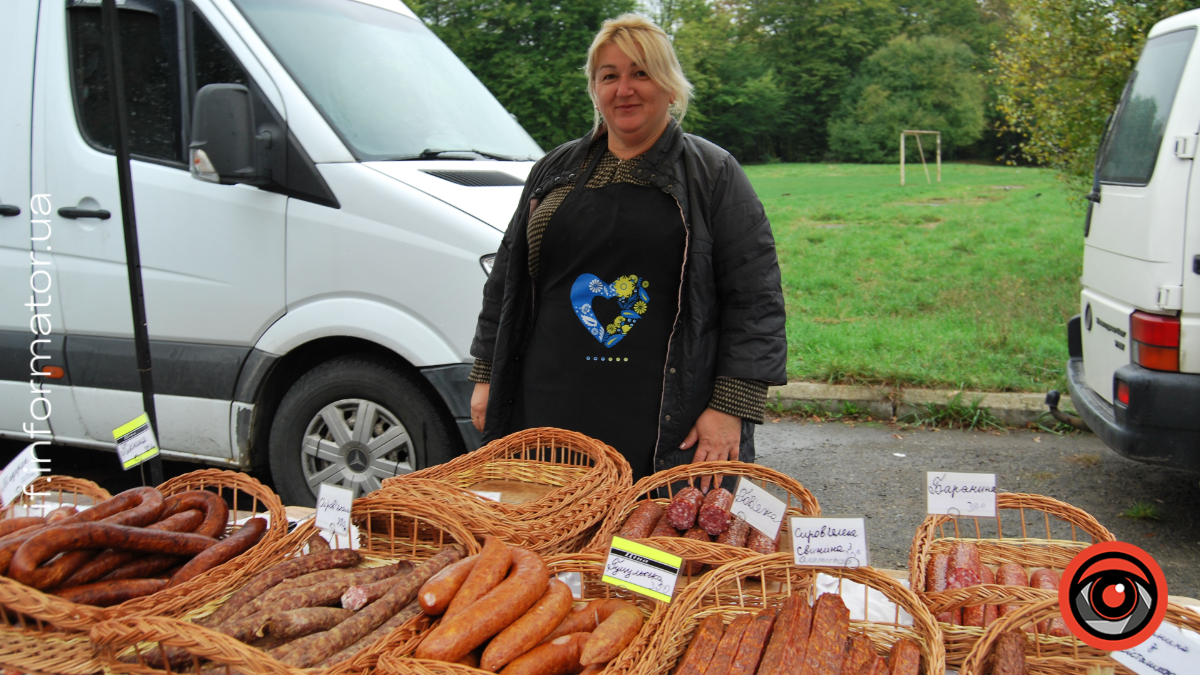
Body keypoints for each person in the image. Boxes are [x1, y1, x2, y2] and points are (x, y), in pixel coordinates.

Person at [467, 14, 786, 483]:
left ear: (671, 86)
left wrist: (730, 405)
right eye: (609, 76)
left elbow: (755, 298)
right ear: (595, 89)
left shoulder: (712, 174)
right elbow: (508, 281)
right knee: (552, 541)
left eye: (641, 73)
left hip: (664, 422)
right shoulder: (554, 170)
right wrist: (486, 372)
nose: (625, 89)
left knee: (653, 550)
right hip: (550, 407)